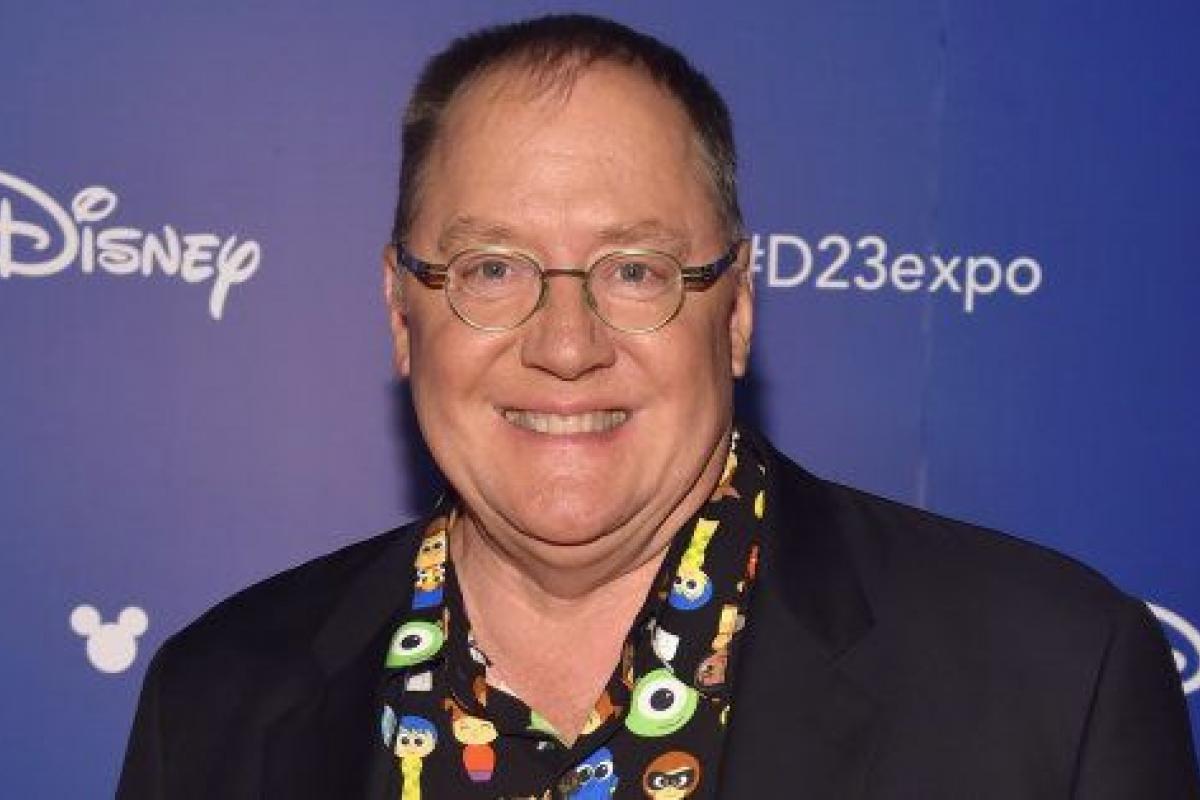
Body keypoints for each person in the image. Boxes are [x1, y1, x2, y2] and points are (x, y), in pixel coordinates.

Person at [117, 13, 1199, 799]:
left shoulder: (1055, 682)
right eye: (491, 269)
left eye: (636, 270)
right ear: (404, 313)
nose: (566, 345)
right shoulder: (215, 700)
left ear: (736, 310)